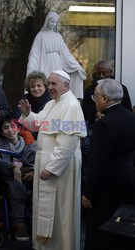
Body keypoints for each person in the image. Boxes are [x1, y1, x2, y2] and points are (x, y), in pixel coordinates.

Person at [19, 70, 87, 250]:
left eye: (54, 84)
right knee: (45, 207)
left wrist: (52, 168)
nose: (50, 88)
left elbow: (68, 142)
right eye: (49, 83)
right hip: (45, 162)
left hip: (59, 168)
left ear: (66, 85)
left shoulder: (71, 105)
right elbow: (38, 123)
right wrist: (28, 114)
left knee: (60, 211)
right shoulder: (51, 103)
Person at [82, 78, 135, 250]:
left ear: (104, 98)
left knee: (102, 232)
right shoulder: (131, 117)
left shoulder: (105, 124)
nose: (94, 101)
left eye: (95, 97)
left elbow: (97, 163)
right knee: (124, 228)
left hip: (106, 187)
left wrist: (88, 194)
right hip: (128, 181)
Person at [0, 116, 37, 241]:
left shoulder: (30, 144)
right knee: (16, 185)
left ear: (18, 128)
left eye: (12, 126)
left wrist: (33, 171)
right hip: (8, 178)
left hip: (27, 176)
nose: (10, 130)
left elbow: (40, 160)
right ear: (2, 132)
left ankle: (37, 221)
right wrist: (12, 166)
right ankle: (19, 224)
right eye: (6, 128)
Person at [27, 11, 87, 99]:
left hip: (57, 62)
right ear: (47, 21)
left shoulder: (58, 36)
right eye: (52, 21)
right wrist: (31, 66)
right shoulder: (40, 36)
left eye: (55, 22)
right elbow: (34, 53)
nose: (53, 24)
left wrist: (77, 66)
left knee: (57, 83)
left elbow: (65, 53)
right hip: (45, 62)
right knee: (46, 83)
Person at [82, 60, 132, 124]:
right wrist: (95, 112)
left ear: (110, 72)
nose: (101, 76)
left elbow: (127, 110)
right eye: (99, 73)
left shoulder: (121, 89)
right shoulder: (90, 90)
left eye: (104, 73)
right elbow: (84, 111)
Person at [14, 71, 51, 140]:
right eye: (32, 86)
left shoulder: (51, 101)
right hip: (25, 138)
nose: (36, 89)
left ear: (45, 86)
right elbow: (16, 120)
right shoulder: (24, 100)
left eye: (39, 86)